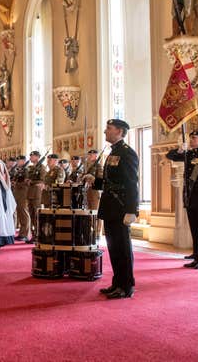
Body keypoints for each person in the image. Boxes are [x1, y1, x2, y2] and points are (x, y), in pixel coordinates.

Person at [85, 119, 139, 299]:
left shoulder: (127, 153)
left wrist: (132, 210)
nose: (105, 131)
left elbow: (132, 183)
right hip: (109, 206)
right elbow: (110, 182)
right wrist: (95, 181)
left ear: (119, 132)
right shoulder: (112, 152)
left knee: (123, 248)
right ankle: (117, 282)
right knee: (114, 247)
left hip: (121, 207)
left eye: (109, 128)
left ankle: (126, 286)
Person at [165, 130, 198, 269]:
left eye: (194, 138)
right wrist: (180, 149)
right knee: (195, 228)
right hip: (190, 197)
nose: (191, 140)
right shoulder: (189, 154)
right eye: (190, 138)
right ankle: (197, 255)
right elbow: (170, 156)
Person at [25, 151, 46, 243]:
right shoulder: (31, 168)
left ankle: (39, 235)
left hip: (37, 194)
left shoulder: (42, 167)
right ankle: (33, 235)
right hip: (30, 193)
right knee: (32, 215)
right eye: (30, 156)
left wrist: (32, 182)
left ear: (37, 157)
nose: (30, 157)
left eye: (32, 156)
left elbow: (42, 181)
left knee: (37, 215)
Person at [12, 155, 31, 241]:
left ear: (23, 161)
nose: (17, 162)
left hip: (24, 192)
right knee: (19, 212)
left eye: (18, 160)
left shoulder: (26, 170)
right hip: (17, 192)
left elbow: (26, 182)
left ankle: (25, 233)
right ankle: (21, 232)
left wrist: (17, 184)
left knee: (24, 212)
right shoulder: (19, 169)